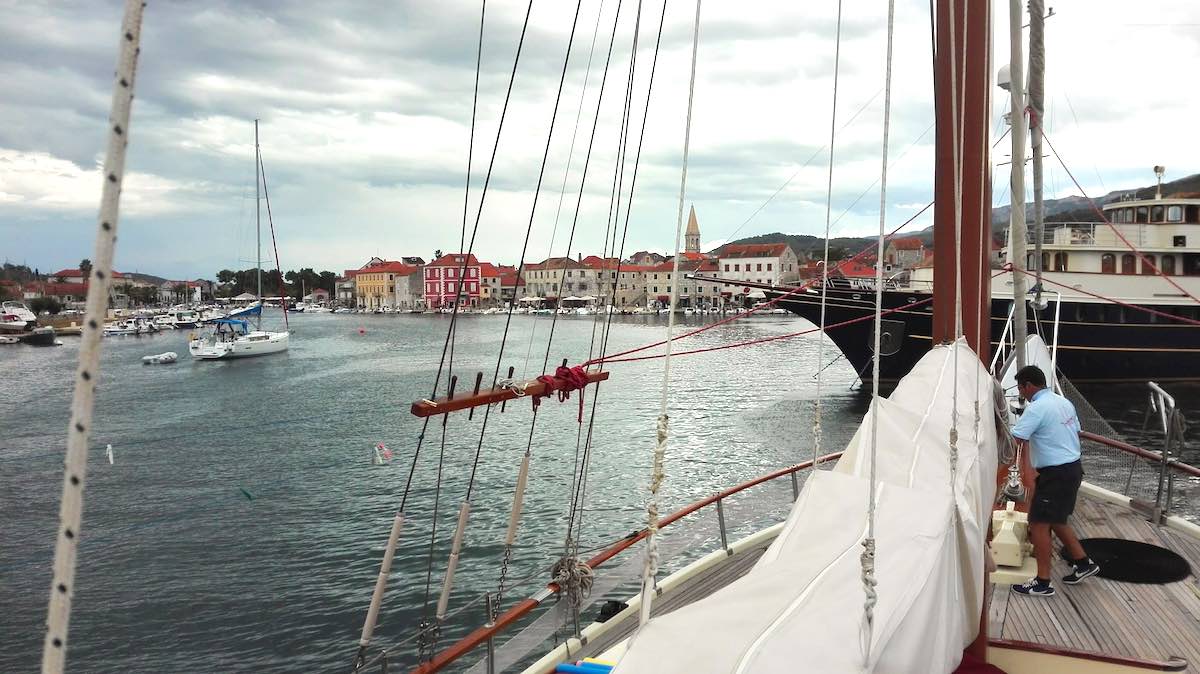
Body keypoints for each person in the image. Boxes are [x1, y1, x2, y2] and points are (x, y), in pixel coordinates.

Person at [1009, 365, 1100, 597]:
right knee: (1057, 519)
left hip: (1056, 475)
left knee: (1039, 523)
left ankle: (1042, 582)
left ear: (1028, 385)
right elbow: (1075, 429)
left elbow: (1016, 438)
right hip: (1072, 469)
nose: (1022, 394)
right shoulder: (1063, 402)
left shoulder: (1037, 408)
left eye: (1021, 389)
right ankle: (1083, 562)